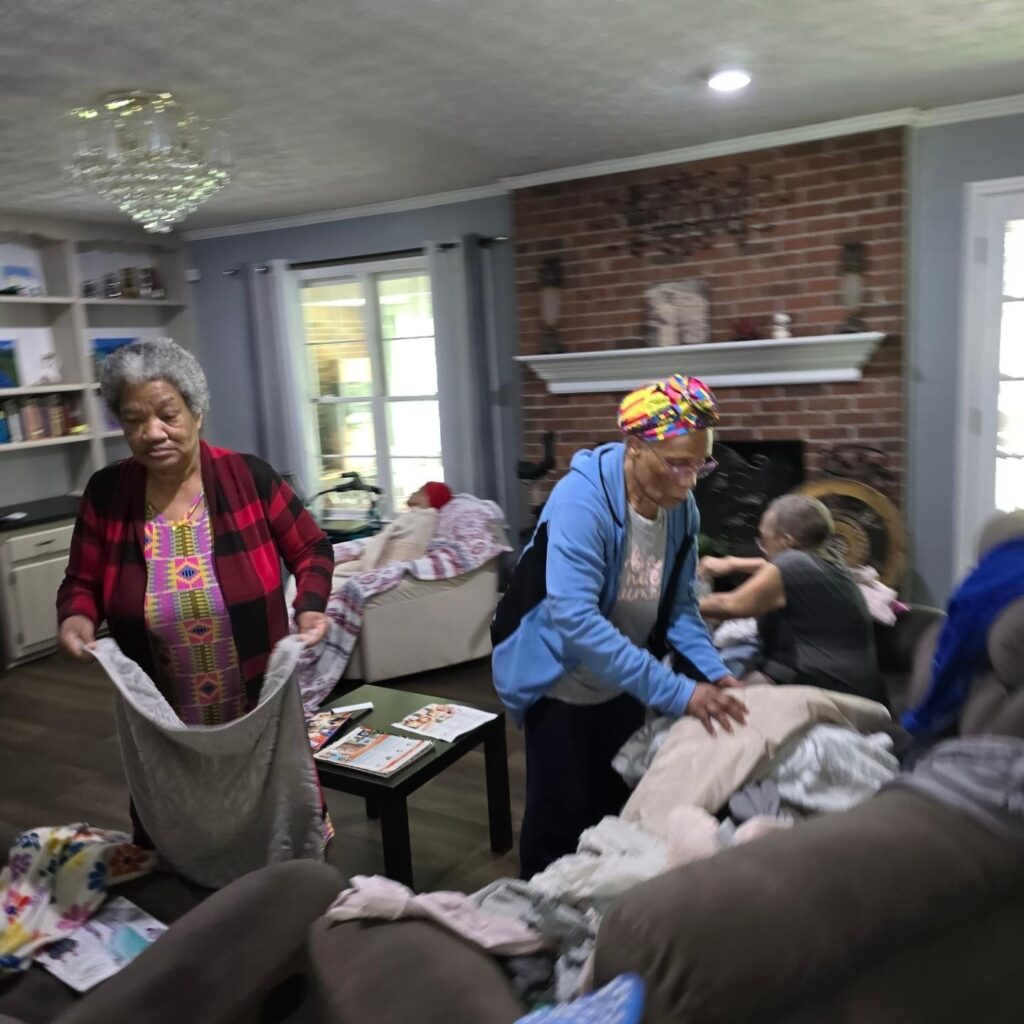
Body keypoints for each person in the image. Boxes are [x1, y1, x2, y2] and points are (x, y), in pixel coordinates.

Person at [56, 339, 334, 839]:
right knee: (180, 821)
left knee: (271, 815)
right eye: (134, 419)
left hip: (254, 696)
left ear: (197, 412)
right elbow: (82, 580)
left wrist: (309, 605)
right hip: (163, 707)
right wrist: (76, 614)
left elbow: (312, 547)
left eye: (168, 414)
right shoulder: (105, 492)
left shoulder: (248, 476)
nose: (153, 432)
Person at [492, 374, 747, 878]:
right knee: (557, 818)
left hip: (623, 674)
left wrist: (714, 673)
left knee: (614, 803)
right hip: (558, 678)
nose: (690, 480)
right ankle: (540, 914)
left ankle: (599, 913)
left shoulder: (682, 510)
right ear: (635, 447)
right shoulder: (580, 502)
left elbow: (679, 607)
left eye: (701, 464)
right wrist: (681, 692)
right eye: (678, 464)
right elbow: (576, 621)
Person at [698, 493, 883, 702]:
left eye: (764, 540)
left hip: (827, 689)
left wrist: (666, 603)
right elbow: (773, 568)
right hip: (851, 684)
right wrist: (732, 563)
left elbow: (729, 605)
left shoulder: (793, 564)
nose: (762, 548)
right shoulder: (829, 561)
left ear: (787, 542)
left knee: (707, 701)